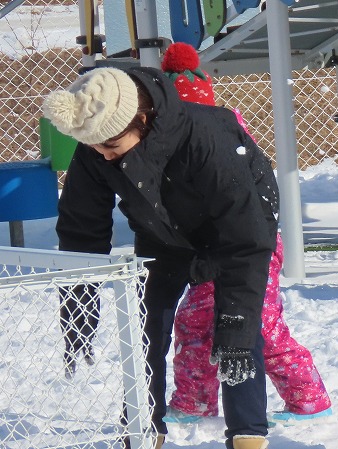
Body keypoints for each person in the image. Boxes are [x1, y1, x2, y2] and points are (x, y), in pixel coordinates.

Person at [43, 63, 280, 449]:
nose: (103, 157)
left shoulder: (207, 136)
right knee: (145, 331)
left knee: (237, 330)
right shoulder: (98, 142)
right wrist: (79, 310)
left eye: (111, 147)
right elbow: (81, 230)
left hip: (234, 234)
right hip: (161, 235)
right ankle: (143, 428)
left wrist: (236, 330)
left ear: (141, 120)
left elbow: (246, 237)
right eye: (95, 148)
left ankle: (247, 434)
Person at [159, 42, 332, 426]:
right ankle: (194, 401)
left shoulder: (225, 139)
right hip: (210, 252)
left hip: (253, 249)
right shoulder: (171, 148)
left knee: (259, 325)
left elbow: (251, 211)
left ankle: (309, 398)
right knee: (194, 322)